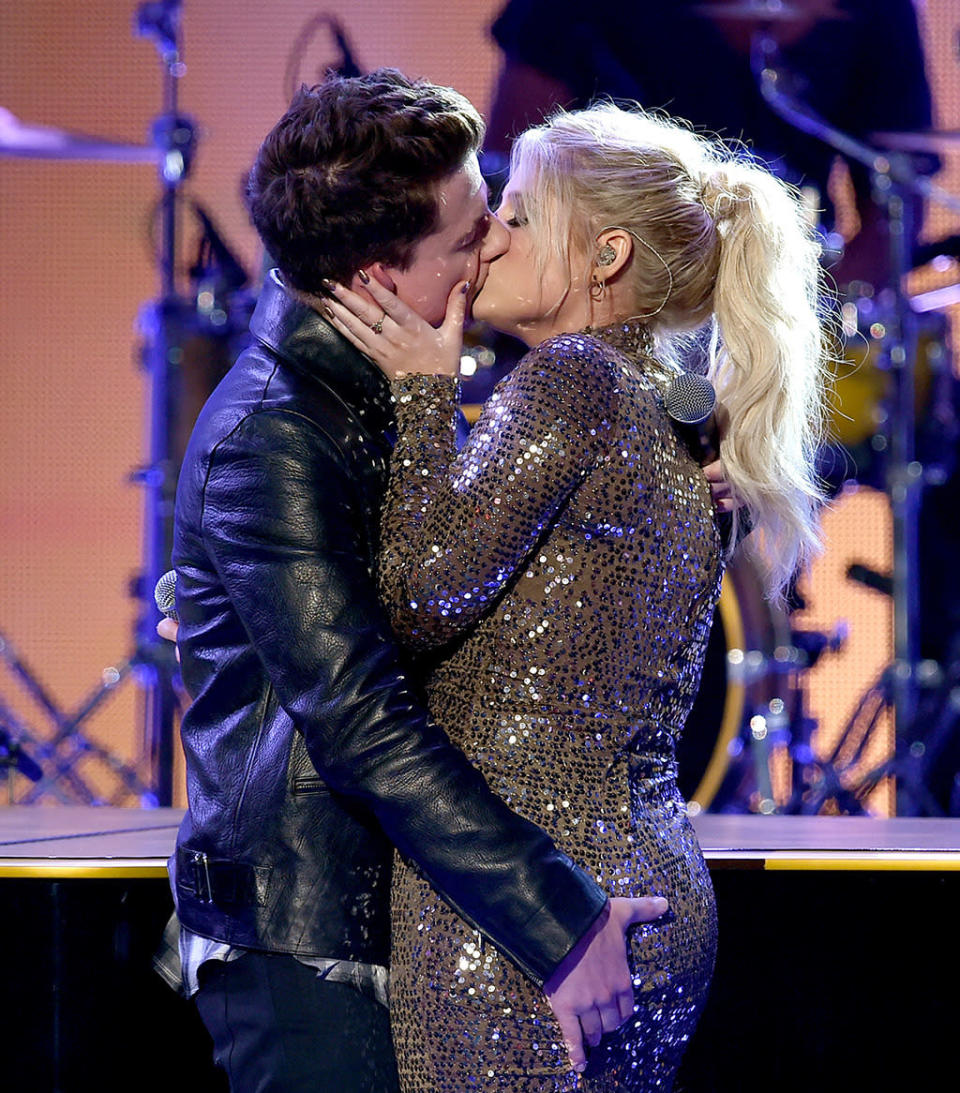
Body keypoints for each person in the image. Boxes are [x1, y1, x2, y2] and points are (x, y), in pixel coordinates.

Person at [163, 70, 676, 1093]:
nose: (492, 247)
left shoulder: (392, 386)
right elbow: (363, 725)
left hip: (401, 916)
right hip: (311, 951)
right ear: (377, 278)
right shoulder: (274, 439)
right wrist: (561, 917)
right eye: (468, 235)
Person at [322, 101, 828, 1089]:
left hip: (525, 920)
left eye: (515, 211)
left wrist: (424, 393)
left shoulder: (571, 384)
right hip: (647, 896)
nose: (488, 236)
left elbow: (420, 595)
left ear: (603, 255)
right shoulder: (660, 417)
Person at [484, 0, 938, 291]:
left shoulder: (879, 11)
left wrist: (820, 314)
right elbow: (515, 167)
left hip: (783, 286)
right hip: (608, 290)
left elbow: (896, 205)